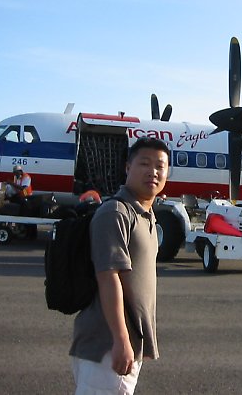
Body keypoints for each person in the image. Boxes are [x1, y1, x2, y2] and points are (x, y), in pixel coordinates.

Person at [69, 137, 170, 395]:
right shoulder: (116, 212)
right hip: (107, 344)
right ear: (127, 167)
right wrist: (121, 339)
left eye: (160, 166)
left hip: (124, 343)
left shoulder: (145, 214)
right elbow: (108, 276)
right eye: (144, 163)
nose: (153, 171)